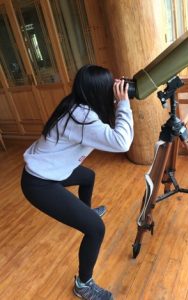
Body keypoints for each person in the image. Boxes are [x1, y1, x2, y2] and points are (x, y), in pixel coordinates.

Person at [21, 64, 134, 300]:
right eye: (109, 85)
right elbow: (122, 142)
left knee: (88, 176)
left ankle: (86, 211)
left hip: (51, 170)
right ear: (98, 91)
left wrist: (116, 98)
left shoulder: (76, 104)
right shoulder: (82, 117)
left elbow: (103, 126)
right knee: (95, 229)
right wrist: (123, 103)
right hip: (39, 183)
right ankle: (83, 285)